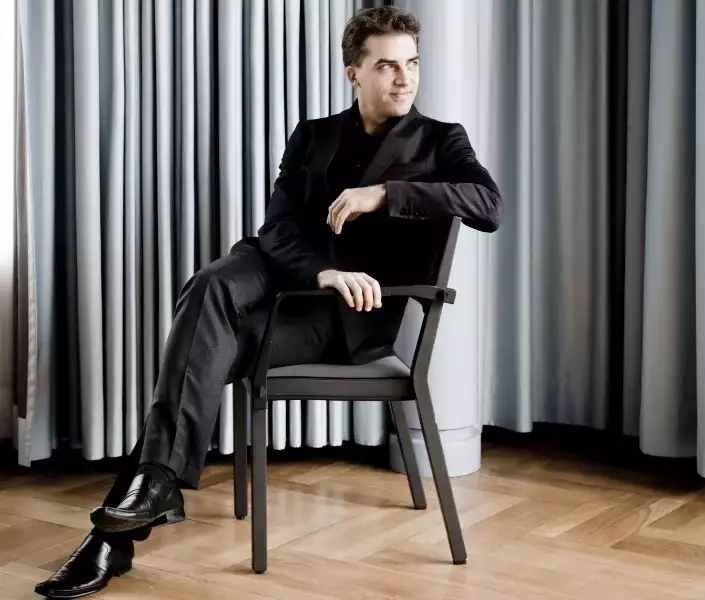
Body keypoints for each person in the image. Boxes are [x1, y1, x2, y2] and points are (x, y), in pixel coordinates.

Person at [35, 5, 502, 598]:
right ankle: (150, 491)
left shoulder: (441, 140)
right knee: (208, 284)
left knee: (203, 355)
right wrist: (324, 271)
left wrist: (383, 194)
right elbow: (278, 227)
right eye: (387, 65)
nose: (405, 77)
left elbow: (488, 205)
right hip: (286, 269)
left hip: (343, 318)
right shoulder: (314, 134)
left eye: (411, 63)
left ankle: (117, 532)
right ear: (354, 74)